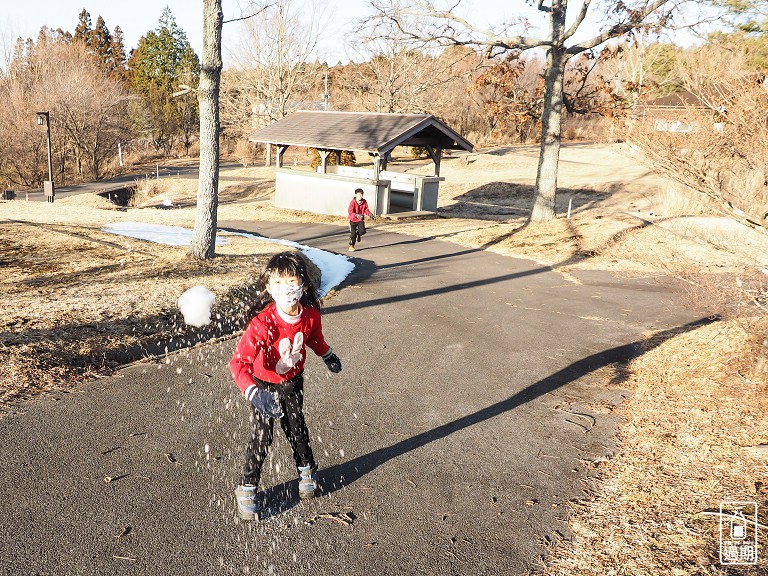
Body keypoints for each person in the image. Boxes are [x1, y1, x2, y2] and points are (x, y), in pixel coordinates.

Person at [230, 251, 343, 521]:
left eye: (291, 281)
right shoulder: (262, 324)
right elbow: (238, 364)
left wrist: (327, 355)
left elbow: (314, 339)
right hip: (263, 386)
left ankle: (306, 471)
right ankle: (247, 488)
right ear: (268, 287)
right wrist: (254, 393)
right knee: (262, 436)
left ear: (303, 285)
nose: (285, 290)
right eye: (278, 283)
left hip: (293, 382)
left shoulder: (311, 316)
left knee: (297, 428)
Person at [347, 187, 375, 251]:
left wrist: (370, 214)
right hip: (353, 220)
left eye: (362, 194)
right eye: (359, 194)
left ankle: (358, 235)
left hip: (360, 219)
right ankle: (351, 245)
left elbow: (366, 210)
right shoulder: (353, 202)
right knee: (353, 234)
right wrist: (356, 215)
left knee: (363, 231)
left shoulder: (364, 202)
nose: (360, 196)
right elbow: (350, 211)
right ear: (356, 195)